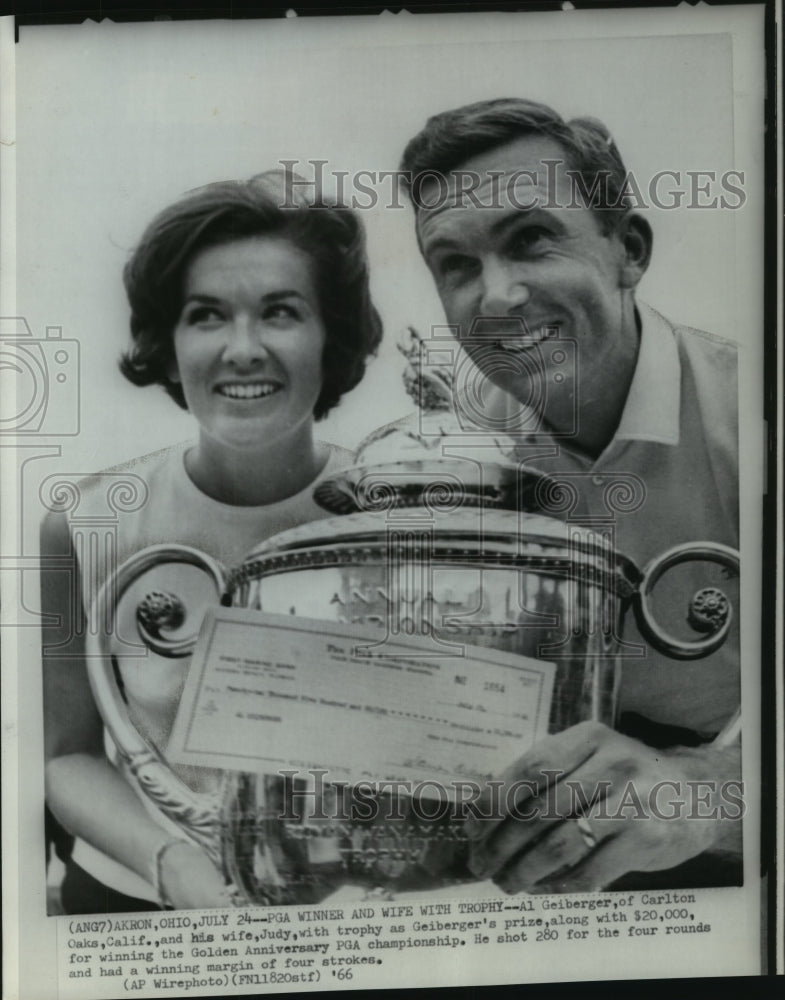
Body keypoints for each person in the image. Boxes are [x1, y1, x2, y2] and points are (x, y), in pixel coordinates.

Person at [396, 98, 741, 892]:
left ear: (629, 250)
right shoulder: (456, 457)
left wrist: (700, 796)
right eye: (456, 265)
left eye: (530, 240)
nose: (496, 297)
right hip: (549, 854)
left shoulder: (754, 412)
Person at [41, 171, 383, 912]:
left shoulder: (399, 517)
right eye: (206, 316)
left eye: (281, 312)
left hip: (350, 913)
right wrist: (172, 866)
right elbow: (66, 756)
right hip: (138, 899)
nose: (243, 348)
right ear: (167, 348)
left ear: (331, 338)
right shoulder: (86, 523)